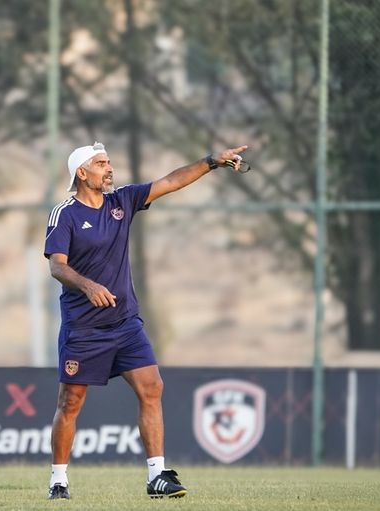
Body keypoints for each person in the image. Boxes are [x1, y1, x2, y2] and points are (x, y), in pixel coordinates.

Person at [43, 141, 248, 500]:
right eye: (101, 163)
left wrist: (211, 162)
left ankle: (157, 476)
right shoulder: (65, 214)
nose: (109, 168)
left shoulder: (121, 201)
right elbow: (57, 266)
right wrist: (88, 286)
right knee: (70, 402)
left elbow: (170, 182)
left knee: (152, 387)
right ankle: (58, 481)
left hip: (125, 323)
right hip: (84, 327)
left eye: (109, 162)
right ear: (82, 173)